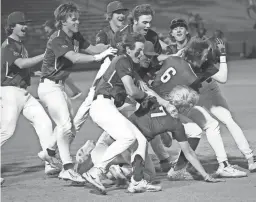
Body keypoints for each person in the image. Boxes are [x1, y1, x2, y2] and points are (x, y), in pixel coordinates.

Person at [37, 2, 117, 183]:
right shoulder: (57, 38)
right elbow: (75, 57)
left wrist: (113, 47)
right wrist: (98, 57)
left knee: (67, 126)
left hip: (59, 86)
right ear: (63, 21)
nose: (77, 21)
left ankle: (48, 152)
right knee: (65, 126)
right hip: (49, 87)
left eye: (77, 18)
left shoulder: (75, 35)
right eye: (73, 19)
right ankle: (67, 168)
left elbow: (93, 49)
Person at [165, 18, 256, 177]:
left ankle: (249, 157)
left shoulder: (197, 47)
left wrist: (221, 55)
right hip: (191, 95)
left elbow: (221, 77)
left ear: (187, 31)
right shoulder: (169, 51)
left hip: (208, 89)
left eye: (181, 27)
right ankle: (190, 163)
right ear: (171, 33)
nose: (178, 30)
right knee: (204, 127)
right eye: (175, 28)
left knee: (225, 120)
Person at [82, 32, 160, 194]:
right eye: (137, 50)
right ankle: (96, 172)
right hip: (102, 104)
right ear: (127, 49)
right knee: (128, 137)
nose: (140, 53)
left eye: (141, 50)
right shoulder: (123, 60)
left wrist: (161, 101)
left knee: (141, 141)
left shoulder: (130, 64)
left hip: (108, 105)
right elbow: (132, 91)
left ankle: (137, 182)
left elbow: (143, 87)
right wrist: (150, 100)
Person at [1, 11, 60, 185]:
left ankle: (49, 163)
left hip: (23, 93)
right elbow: (20, 64)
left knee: (45, 122)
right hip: (9, 92)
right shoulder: (9, 45)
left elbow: (18, 68)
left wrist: (33, 73)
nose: (25, 26)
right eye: (21, 23)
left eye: (25, 23)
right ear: (12, 27)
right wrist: (46, 54)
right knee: (6, 130)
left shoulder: (20, 46)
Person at [42, 19, 82, 100]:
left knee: (55, 75)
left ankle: (73, 91)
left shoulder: (54, 34)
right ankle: (74, 91)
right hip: (64, 57)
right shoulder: (56, 33)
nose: (44, 29)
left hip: (62, 58)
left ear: (49, 27)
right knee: (62, 76)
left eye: (45, 27)